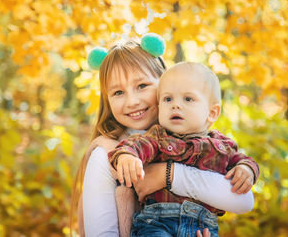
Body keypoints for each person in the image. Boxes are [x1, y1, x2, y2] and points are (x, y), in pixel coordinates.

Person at [71, 34, 256, 237]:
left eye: (142, 86)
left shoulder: (200, 136)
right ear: (107, 99)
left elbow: (244, 201)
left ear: (164, 82)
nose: (132, 101)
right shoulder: (107, 154)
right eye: (118, 93)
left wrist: (167, 174)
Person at [108, 62, 259, 236]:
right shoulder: (158, 136)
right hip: (157, 221)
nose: (175, 105)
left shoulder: (222, 146)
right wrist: (127, 156)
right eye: (167, 99)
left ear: (212, 113)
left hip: (202, 226)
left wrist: (246, 169)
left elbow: (243, 161)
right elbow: (136, 145)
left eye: (188, 99)